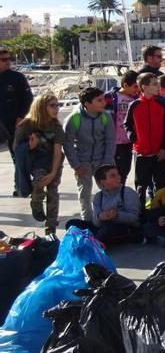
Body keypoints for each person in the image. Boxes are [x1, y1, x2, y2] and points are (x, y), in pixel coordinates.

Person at [14, 94, 65, 234]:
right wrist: (30, 146)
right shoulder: (26, 125)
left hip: (54, 162)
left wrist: (53, 172)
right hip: (37, 163)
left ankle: (51, 229)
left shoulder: (56, 127)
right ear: (42, 107)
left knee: (53, 192)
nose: (56, 108)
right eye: (52, 105)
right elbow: (16, 148)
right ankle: (36, 203)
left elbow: (57, 151)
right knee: (38, 186)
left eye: (57, 105)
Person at [63, 87, 115, 222]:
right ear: (87, 104)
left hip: (102, 161)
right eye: (99, 100)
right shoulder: (74, 119)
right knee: (85, 194)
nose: (104, 102)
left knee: (109, 191)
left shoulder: (106, 116)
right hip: (83, 163)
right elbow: (67, 145)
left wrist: (107, 163)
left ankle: (107, 219)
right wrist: (76, 166)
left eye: (103, 99)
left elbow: (110, 140)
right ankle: (87, 221)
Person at [125, 73, 165, 210]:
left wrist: (164, 148)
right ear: (144, 87)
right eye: (155, 84)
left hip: (159, 153)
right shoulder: (134, 105)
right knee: (141, 186)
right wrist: (134, 138)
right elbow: (127, 124)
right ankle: (141, 215)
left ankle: (161, 212)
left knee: (161, 185)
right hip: (141, 153)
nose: (158, 86)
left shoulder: (163, 104)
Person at [65, 164, 141, 245]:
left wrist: (116, 215)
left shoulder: (127, 192)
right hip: (102, 228)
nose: (118, 177)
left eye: (118, 174)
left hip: (122, 227)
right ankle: (90, 241)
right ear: (103, 182)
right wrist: (100, 217)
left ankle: (92, 244)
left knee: (108, 228)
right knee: (71, 224)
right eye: (113, 176)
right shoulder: (98, 196)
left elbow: (135, 218)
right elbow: (95, 223)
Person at [0, 47, 33, 196]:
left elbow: (28, 99)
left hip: (15, 123)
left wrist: (21, 117)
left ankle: (21, 187)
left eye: (9, 59)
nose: (8, 62)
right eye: (4, 60)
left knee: (18, 156)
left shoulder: (17, 77)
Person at [105, 70, 139, 184]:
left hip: (129, 141)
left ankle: (121, 196)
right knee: (113, 172)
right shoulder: (110, 97)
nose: (137, 90)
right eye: (135, 87)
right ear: (125, 85)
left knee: (124, 171)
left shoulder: (136, 99)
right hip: (114, 142)